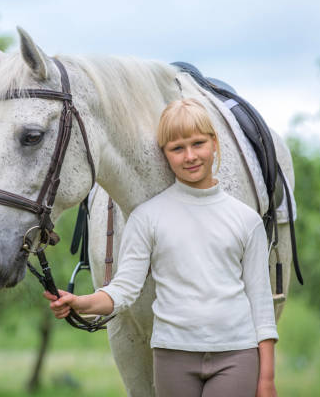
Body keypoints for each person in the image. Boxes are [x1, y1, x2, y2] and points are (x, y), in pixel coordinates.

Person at [44, 98, 278, 397]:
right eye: (177, 148)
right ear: (164, 154)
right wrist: (81, 303)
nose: (190, 156)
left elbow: (260, 303)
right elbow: (124, 290)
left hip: (235, 356)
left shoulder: (247, 220)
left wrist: (267, 379)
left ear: (214, 143)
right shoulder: (147, 218)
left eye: (198, 143)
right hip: (172, 356)